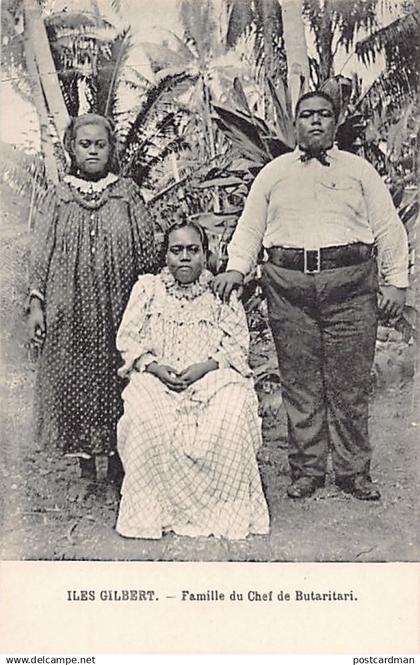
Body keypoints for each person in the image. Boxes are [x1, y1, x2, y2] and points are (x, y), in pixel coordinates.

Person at [213, 91, 408, 501]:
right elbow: (250, 228)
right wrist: (236, 268)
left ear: (334, 123)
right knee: (300, 382)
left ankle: (354, 471)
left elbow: (389, 228)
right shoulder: (274, 173)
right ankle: (307, 470)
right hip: (289, 286)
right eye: (306, 115)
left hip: (351, 285)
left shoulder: (359, 170)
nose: (314, 122)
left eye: (323, 115)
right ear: (295, 124)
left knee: (350, 383)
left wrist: (395, 283)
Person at [115, 220, 269, 539]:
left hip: (211, 379)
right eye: (177, 250)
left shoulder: (220, 292)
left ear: (204, 255)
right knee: (144, 414)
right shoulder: (148, 289)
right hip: (158, 377)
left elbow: (237, 345)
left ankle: (225, 509)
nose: (184, 258)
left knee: (232, 407)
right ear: (166, 256)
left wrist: (206, 367)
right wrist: (155, 367)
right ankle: (152, 512)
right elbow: (129, 339)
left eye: (192, 250)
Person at [27, 113, 157, 491]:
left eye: (100, 144)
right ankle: (87, 469)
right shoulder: (59, 195)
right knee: (77, 381)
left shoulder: (127, 193)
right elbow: (41, 253)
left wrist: (148, 303)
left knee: (119, 378)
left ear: (111, 149)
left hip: (120, 307)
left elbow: (146, 251)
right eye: (85, 144)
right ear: (71, 149)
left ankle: (119, 468)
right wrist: (37, 304)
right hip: (70, 309)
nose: (93, 151)